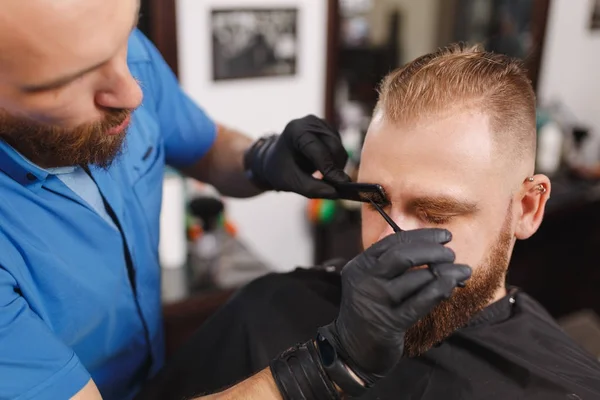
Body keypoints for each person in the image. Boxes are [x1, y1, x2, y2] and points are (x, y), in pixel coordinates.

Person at [0, 0, 471, 399]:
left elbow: (207, 149)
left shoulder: (116, 56)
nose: (132, 92)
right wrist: (329, 363)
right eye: (67, 81)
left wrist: (262, 158)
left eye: (127, 37)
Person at [136, 44, 600, 400]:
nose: (384, 245)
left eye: (435, 213)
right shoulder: (267, 311)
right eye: (374, 200)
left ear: (526, 209)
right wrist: (322, 366)